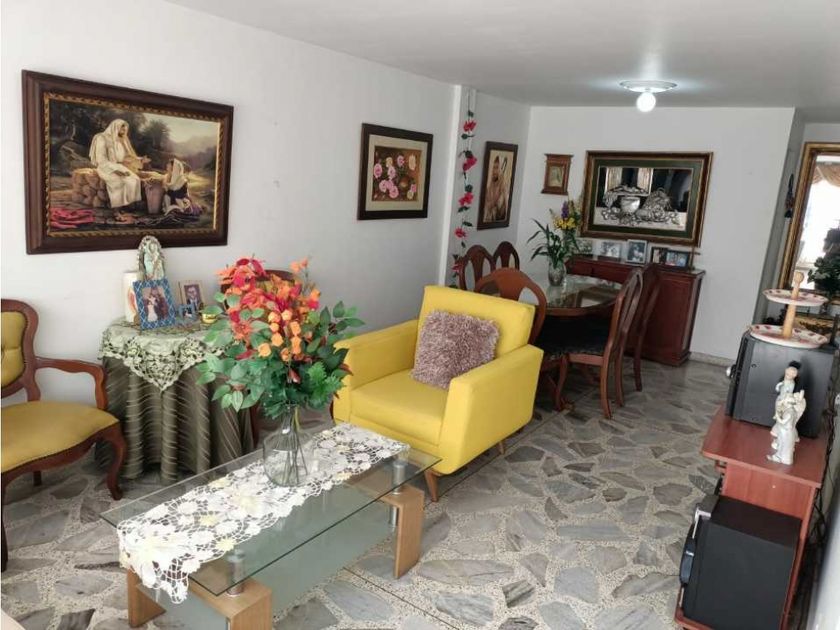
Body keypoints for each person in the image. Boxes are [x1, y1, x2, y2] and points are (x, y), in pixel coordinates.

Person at [89, 119, 149, 209]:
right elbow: (101, 160)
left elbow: (127, 155)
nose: (124, 132)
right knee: (119, 182)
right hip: (105, 167)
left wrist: (140, 159)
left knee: (135, 180)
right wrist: (115, 171)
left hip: (118, 166)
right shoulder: (102, 138)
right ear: (115, 127)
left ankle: (128, 206)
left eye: (125, 130)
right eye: (122, 129)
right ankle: (117, 209)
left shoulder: (121, 140)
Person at [483, 155, 509, 223]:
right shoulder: (490, 185)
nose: (494, 170)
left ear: (501, 169)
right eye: (494, 167)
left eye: (497, 167)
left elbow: (505, 209)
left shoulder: (504, 187)